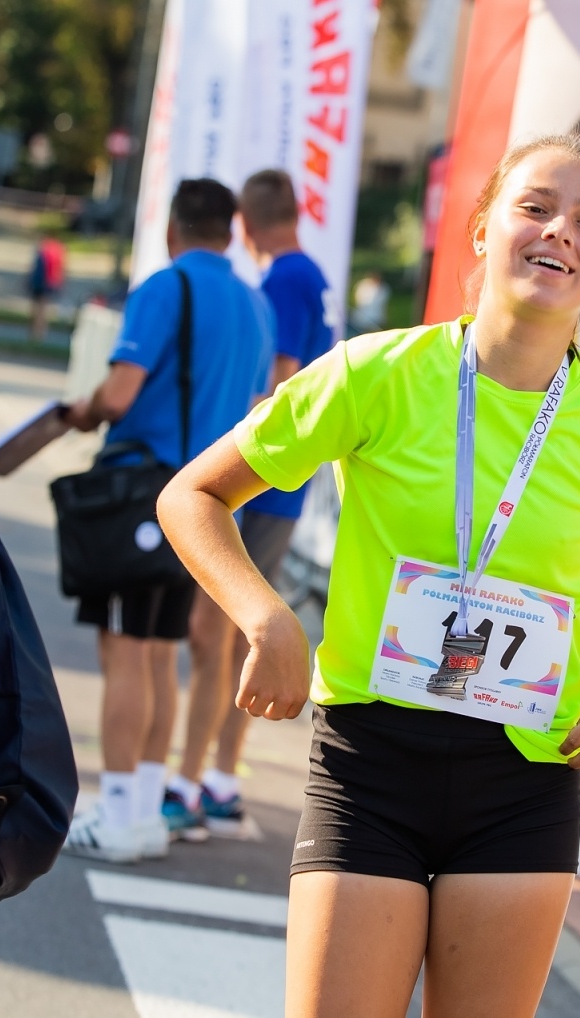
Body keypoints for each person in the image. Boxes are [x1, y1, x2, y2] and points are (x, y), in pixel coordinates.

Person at [156, 133, 580, 1017]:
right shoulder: (375, 374)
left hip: (523, 782)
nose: (561, 231)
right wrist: (267, 618)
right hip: (371, 762)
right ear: (483, 229)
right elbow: (193, 496)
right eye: (535, 207)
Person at [60, 178, 273, 863]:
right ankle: (145, 810)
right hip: (206, 501)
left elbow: (121, 393)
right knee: (159, 652)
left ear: (175, 229)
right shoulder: (254, 304)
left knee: (124, 650)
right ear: (233, 230)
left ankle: (119, 812)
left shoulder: (164, 287)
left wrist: (86, 407)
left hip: (141, 492)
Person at [164, 169, 336, 840]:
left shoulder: (286, 280)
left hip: (264, 484)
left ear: (246, 225)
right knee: (235, 636)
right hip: (284, 492)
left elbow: (281, 388)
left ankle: (189, 786)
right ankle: (221, 782)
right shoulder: (313, 275)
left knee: (218, 635)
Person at [28, 234, 68, 342]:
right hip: (48, 284)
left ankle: (37, 334)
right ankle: (39, 333)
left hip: (41, 284)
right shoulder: (57, 250)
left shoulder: (46, 249)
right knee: (42, 310)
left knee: (39, 310)